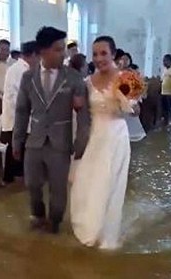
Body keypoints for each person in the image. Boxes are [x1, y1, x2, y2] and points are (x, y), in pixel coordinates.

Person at [12, 27, 90, 234]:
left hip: (60, 142)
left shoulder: (73, 78)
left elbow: (83, 115)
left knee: (58, 188)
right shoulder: (28, 78)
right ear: (43, 51)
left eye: (63, 49)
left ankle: (54, 221)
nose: (63, 53)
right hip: (34, 140)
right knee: (32, 184)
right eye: (58, 49)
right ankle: (37, 215)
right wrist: (17, 140)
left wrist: (81, 142)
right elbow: (21, 110)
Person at [70, 36, 139, 250]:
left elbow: (136, 112)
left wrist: (125, 100)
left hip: (116, 136)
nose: (99, 58)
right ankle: (90, 227)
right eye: (95, 54)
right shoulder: (87, 81)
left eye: (103, 53)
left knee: (109, 184)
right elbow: (80, 111)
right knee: (86, 181)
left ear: (113, 54)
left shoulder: (126, 78)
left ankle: (107, 233)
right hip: (94, 136)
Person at [1, 41, 39, 185]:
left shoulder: (18, 68)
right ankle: (14, 181)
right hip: (17, 117)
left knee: (16, 149)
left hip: (18, 117)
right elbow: (22, 96)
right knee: (18, 151)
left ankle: (10, 180)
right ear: (34, 55)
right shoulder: (20, 70)